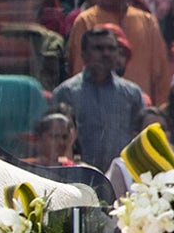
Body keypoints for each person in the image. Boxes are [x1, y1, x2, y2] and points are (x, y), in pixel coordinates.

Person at [65, 0, 172, 107]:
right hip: (99, 110)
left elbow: (161, 74)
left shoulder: (147, 21)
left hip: (142, 112)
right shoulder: (86, 21)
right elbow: (79, 71)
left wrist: (160, 111)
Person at [53, 24, 149, 171]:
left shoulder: (132, 93)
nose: (106, 54)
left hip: (122, 177)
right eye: (98, 48)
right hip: (79, 176)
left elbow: (142, 138)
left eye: (111, 49)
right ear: (83, 54)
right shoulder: (66, 93)